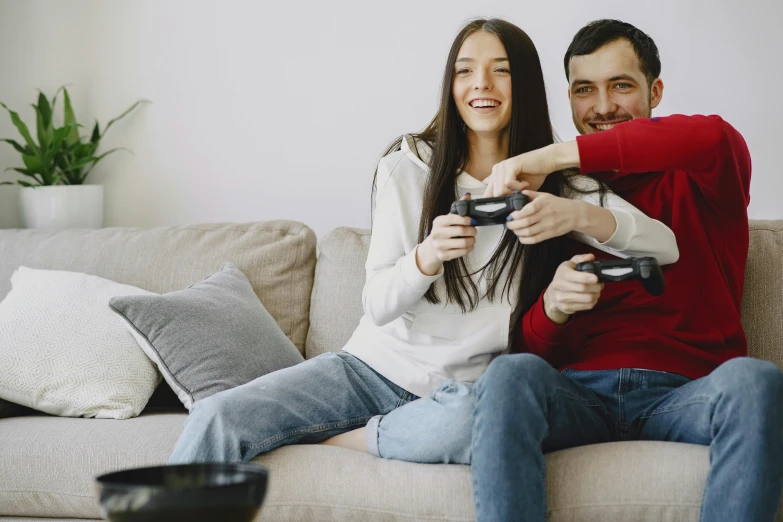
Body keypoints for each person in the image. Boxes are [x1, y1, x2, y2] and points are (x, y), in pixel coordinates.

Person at [166, 18, 678, 467]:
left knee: (479, 428)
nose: (482, 84)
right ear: (450, 85)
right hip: (369, 370)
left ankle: (349, 442)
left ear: (524, 82)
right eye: (465, 70)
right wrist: (427, 256)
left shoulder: (558, 179)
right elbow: (378, 304)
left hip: (463, 394)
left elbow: (664, 247)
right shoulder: (409, 166)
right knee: (219, 416)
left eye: (500, 69)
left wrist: (575, 212)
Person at [354, 19, 783, 522]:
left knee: (758, 382)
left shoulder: (703, 176)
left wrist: (552, 156)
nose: (601, 107)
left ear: (656, 90)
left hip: (688, 392)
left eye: (620, 85)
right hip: (579, 394)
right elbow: (530, 348)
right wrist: (553, 309)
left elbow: (712, 136)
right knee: (510, 375)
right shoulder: (550, 198)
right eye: (585, 90)